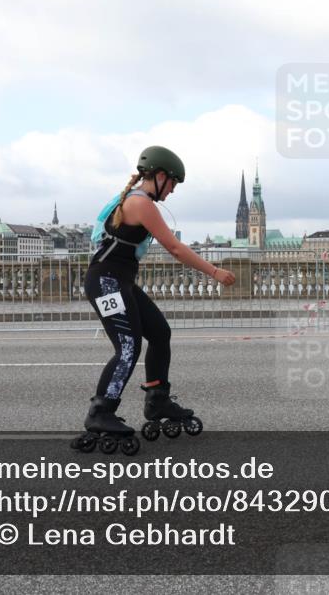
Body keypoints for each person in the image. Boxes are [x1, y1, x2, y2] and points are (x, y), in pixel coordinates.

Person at [77, 145, 235, 449]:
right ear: (160, 176)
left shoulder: (135, 198)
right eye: (173, 183)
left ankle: (157, 399)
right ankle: (101, 411)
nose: (173, 190)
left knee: (160, 333)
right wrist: (214, 272)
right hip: (106, 282)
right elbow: (175, 248)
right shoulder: (142, 203)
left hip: (118, 280)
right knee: (127, 347)